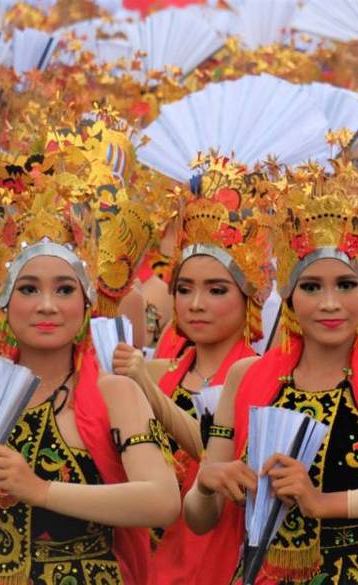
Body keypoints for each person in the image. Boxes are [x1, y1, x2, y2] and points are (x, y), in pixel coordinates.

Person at [182, 163, 358, 584]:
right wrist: (206, 484)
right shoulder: (246, 377)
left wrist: (324, 503)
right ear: (290, 296)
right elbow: (199, 519)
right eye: (312, 287)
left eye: (346, 285)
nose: (330, 303)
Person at [0, 181, 179, 585]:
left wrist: (40, 490)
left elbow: (162, 501)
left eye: (63, 289)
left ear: (86, 303)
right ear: (5, 301)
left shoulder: (115, 391)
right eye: (28, 289)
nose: (46, 305)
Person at [111, 157, 273, 585]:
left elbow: (216, 455)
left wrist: (145, 387)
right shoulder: (159, 370)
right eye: (184, 289)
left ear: (249, 297)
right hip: (148, 558)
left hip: (220, 557)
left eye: (216, 290)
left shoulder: (261, 378)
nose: (195, 304)